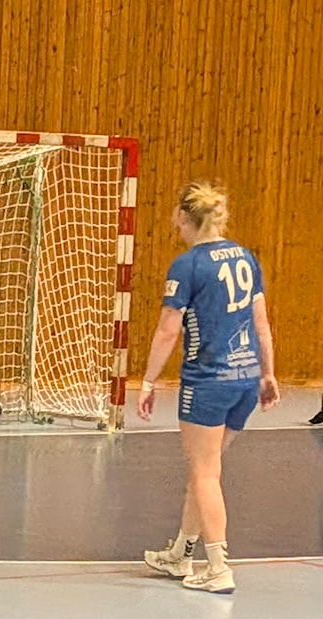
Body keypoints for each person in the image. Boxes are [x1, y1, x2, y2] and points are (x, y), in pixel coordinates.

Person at [138, 180, 279, 594]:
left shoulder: (188, 265)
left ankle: (218, 567)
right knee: (206, 469)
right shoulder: (246, 257)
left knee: (205, 472)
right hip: (245, 380)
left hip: (208, 381)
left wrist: (147, 381)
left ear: (184, 216)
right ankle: (181, 553)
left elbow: (168, 331)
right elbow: (261, 323)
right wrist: (268, 373)